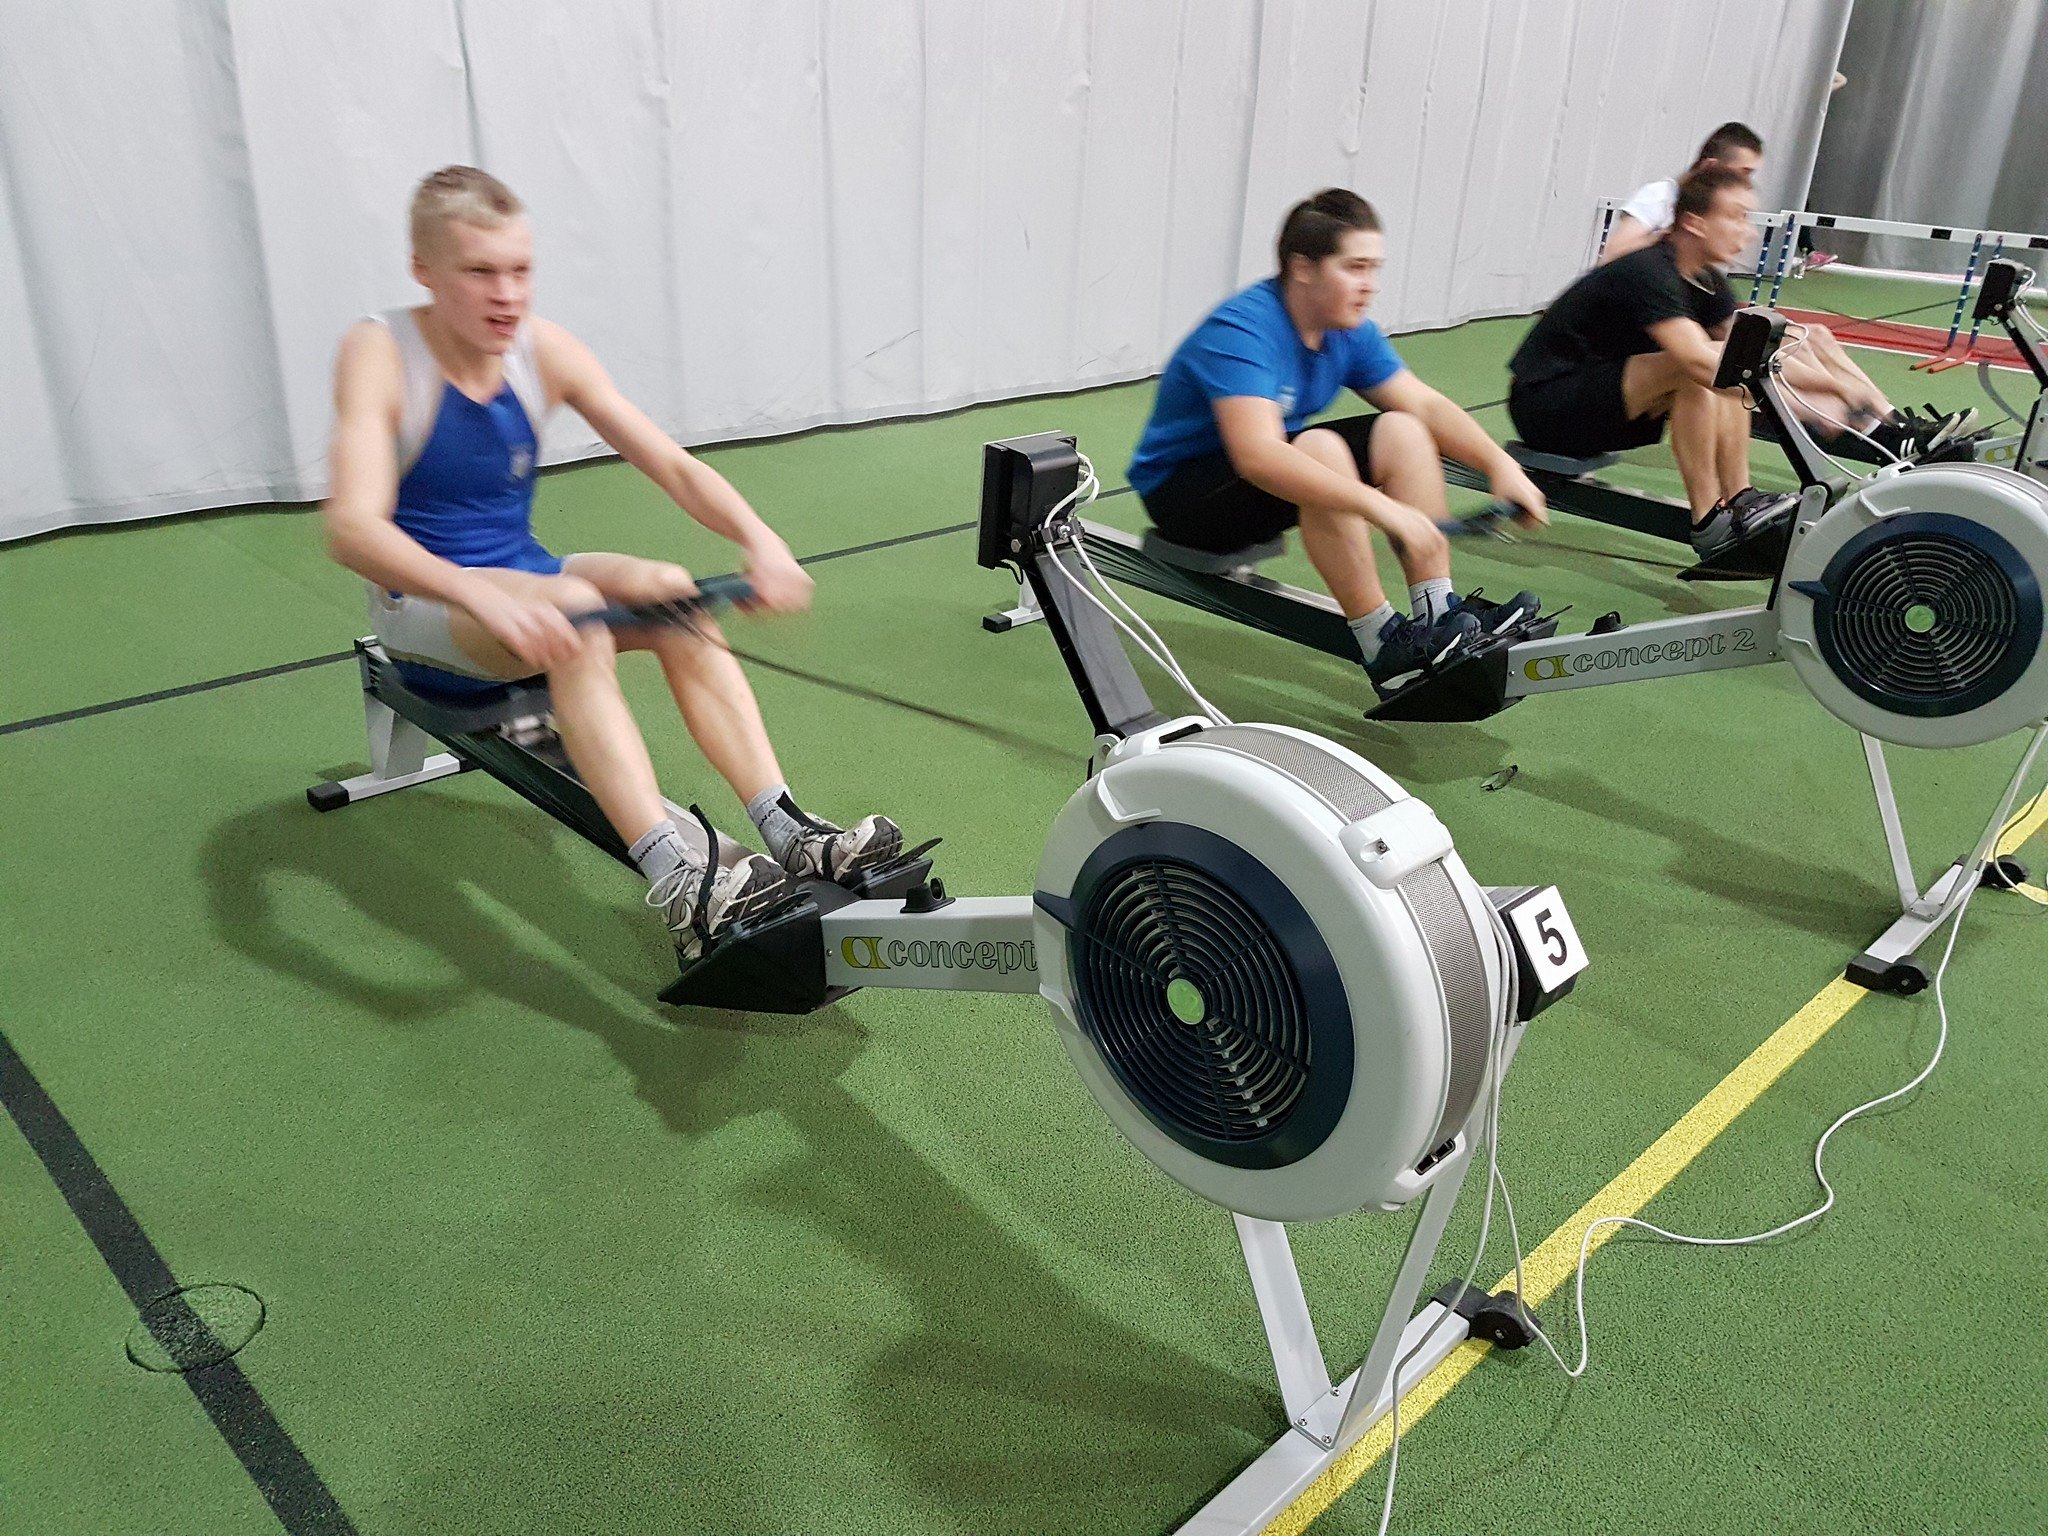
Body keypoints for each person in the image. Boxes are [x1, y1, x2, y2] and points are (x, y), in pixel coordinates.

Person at [322, 166, 902, 958]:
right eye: (480, 272)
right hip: (424, 608)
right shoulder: (380, 353)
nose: (507, 295)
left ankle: (789, 827)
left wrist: (760, 540)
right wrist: (479, 597)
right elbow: (352, 528)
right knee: (574, 614)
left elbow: (672, 466)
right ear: (423, 270)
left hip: (527, 581)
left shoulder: (543, 351)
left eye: (520, 270)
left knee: (671, 592)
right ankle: (677, 879)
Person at [1126, 189, 1549, 700]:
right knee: (1320, 449)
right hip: (1184, 497)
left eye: (1374, 269)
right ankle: (1383, 647)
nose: (1370, 285)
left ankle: (1438, 614)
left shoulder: (1346, 330)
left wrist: (1500, 466)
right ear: (1303, 268)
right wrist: (1382, 507)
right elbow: (1258, 456)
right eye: (1355, 268)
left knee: (1404, 429)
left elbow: (1423, 404)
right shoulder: (1243, 329)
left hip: (1253, 478)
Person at [1600, 122, 1974, 457]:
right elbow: (1614, 256)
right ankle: (1874, 433)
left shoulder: (1710, 221)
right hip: (1661, 323)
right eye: (1744, 172)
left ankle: (1894, 424)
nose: (1748, 186)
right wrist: (1680, 238)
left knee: (1814, 335)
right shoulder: (1662, 195)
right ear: (1712, 167)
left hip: (1697, 311)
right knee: (1775, 352)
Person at [1510, 166, 1805, 561]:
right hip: (1544, 404)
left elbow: (1746, 351)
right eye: (1736, 217)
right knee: (1696, 369)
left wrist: (1842, 398)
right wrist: (1783, 387)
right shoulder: (1648, 271)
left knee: (1729, 364)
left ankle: (1741, 500)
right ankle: (1710, 523)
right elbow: (1698, 360)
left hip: (1602, 401)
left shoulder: (1707, 281)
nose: (1748, 232)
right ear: (1695, 223)